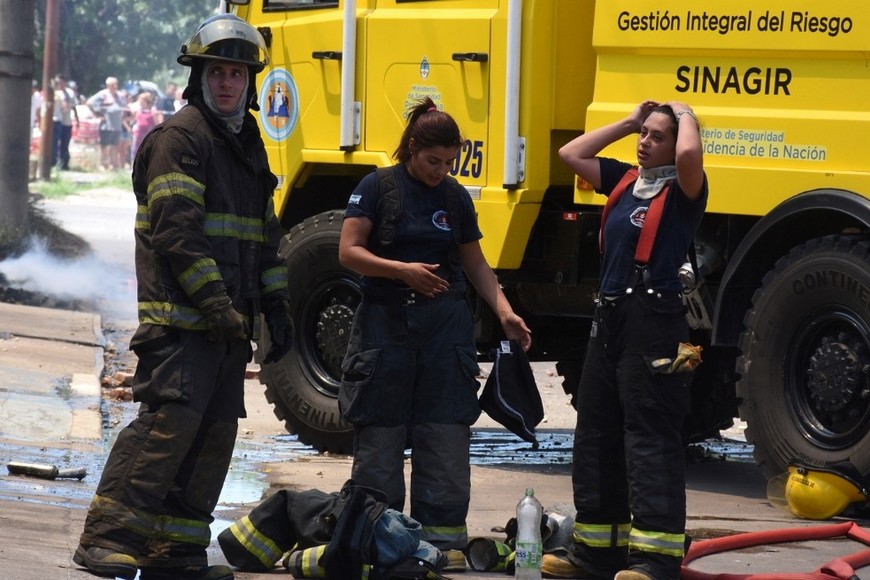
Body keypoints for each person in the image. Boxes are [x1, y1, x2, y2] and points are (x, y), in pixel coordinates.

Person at [73, 14, 292, 580]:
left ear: (249, 83)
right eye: (217, 71)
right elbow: (178, 233)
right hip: (183, 319)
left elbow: (264, 237)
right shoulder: (181, 139)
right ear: (198, 76)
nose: (227, 83)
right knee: (166, 427)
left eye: (237, 74)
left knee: (214, 435)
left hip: (227, 326)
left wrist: (278, 309)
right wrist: (218, 305)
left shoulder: (248, 146)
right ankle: (107, 538)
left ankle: (176, 550)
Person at [337, 96, 533, 570]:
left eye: (449, 162)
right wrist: (401, 271)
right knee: (380, 446)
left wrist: (504, 311)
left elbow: (475, 262)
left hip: (447, 335)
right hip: (385, 333)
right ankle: (379, 542)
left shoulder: (454, 197)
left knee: (444, 443)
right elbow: (348, 251)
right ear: (410, 148)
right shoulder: (377, 187)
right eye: (432, 161)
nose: (440, 170)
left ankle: (440, 548)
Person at [547, 100, 707, 580]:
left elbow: (688, 158)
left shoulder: (683, 189)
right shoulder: (622, 178)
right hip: (611, 318)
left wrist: (688, 116)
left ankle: (655, 560)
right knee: (596, 430)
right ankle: (596, 552)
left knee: (649, 436)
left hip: (654, 322)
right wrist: (628, 123)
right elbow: (570, 154)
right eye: (645, 134)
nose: (645, 142)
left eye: (657, 136)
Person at [87, 76, 128, 170]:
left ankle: (113, 165)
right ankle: (103, 164)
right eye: (113, 84)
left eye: (116, 84)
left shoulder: (120, 95)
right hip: (106, 124)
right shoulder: (103, 94)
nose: (115, 86)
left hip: (117, 125)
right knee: (104, 145)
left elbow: (125, 107)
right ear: (108, 85)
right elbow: (89, 103)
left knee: (114, 145)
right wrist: (97, 115)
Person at [52, 74, 79, 170]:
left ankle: (64, 163)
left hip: (67, 121)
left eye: (62, 82)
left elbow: (74, 106)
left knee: (65, 143)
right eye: (59, 83)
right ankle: (55, 163)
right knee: (55, 143)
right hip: (58, 120)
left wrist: (77, 118)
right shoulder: (55, 93)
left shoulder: (70, 93)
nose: (60, 84)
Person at [130, 91, 164, 162]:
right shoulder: (138, 110)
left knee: (149, 151)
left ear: (146, 101)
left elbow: (157, 123)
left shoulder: (153, 111)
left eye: (142, 101)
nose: (140, 103)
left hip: (148, 134)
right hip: (138, 134)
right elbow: (133, 121)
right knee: (136, 150)